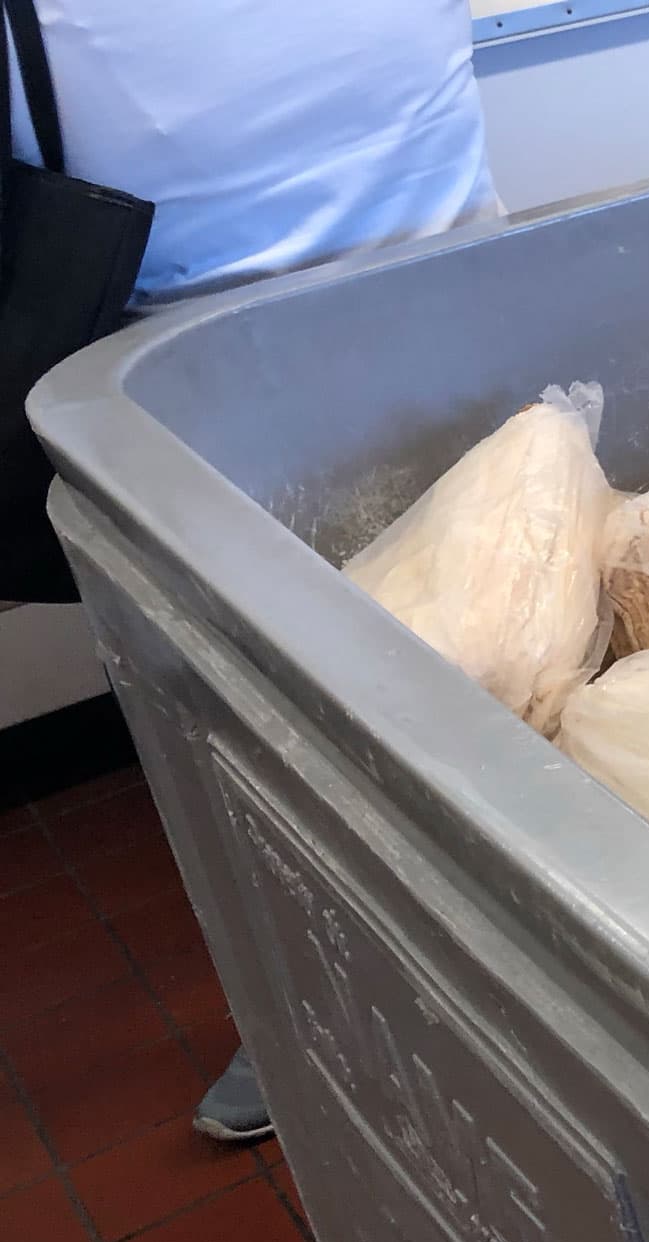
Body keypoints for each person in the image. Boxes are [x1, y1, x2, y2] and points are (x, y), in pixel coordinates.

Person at [5, 0, 504, 1141]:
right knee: (281, 716)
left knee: (412, 688)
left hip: (385, 314)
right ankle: (320, 1008)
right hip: (230, 365)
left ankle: (354, 1007)